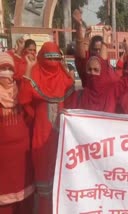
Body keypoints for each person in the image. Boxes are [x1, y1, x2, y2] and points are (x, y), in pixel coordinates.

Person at [18, 42, 74, 214]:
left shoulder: (64, 79)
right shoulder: (62, 78)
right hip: (43, 138)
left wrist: (35, 116)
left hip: (55, 137)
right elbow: (24, 100)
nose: (52, 62)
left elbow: (25, 101)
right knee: (44, 183)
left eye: (55, 58)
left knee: (59, 180)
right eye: (49, 57)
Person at [65, 38, 128, 112]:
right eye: (89, 70)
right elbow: (81, 59)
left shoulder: (112, 90)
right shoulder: (78, 96)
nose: (92, 73)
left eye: (96, 70)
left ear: (102, 71)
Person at [0, 52, 34, 214]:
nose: (6, 72)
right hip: (3, 161)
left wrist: (28, 67)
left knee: (24, 203)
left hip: (22, 158)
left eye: (9, 68)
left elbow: (28, 95)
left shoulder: (19, 90)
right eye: (2, 68)